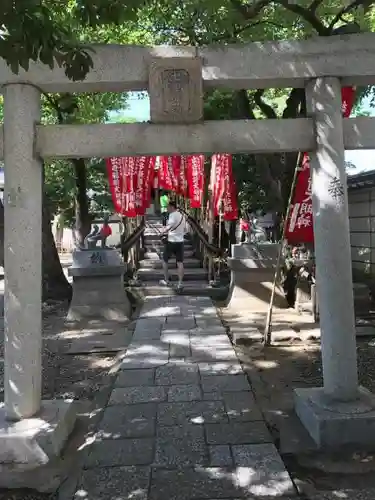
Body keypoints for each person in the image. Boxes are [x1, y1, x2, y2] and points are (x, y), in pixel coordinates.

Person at [160, 200, 185, 290]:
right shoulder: (182, 216)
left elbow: (168, 227)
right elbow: (185, 229)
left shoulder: (172, 215)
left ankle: (166, 280)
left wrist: (162, 231)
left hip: (171, 241)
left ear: (172, 207)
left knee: (165, 260)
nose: (167, 208)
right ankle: (180, 283)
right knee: (180, 262)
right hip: (180, 241)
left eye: (168, 207)